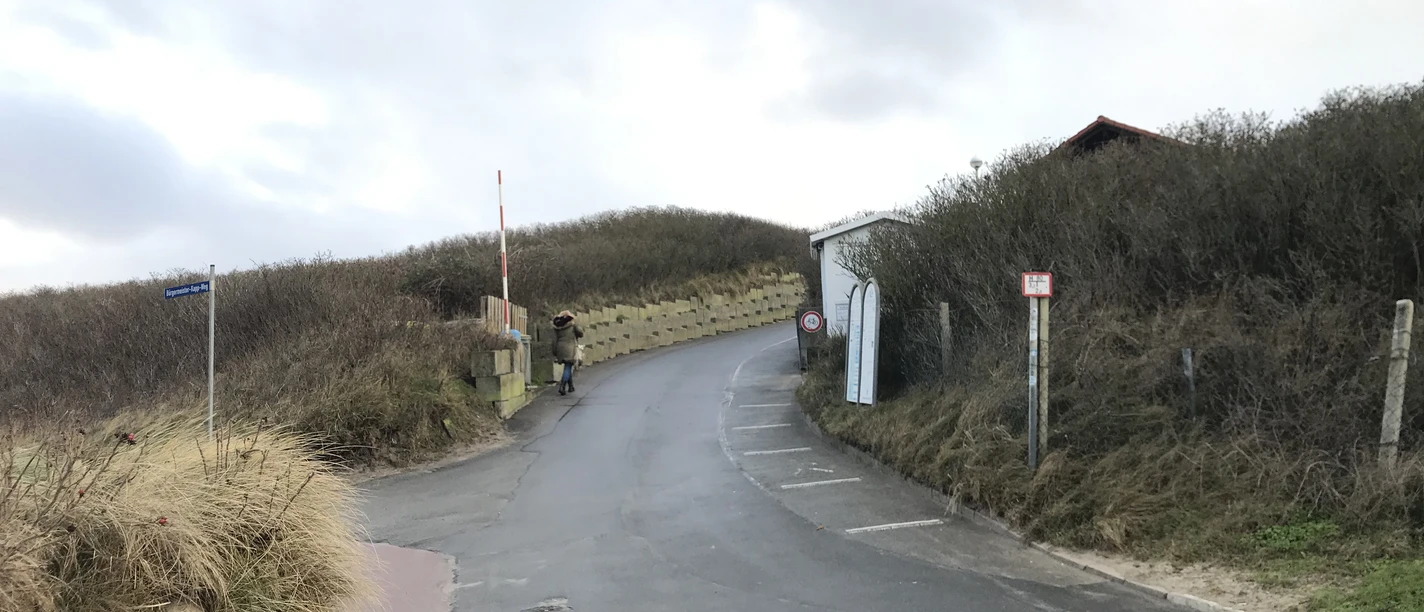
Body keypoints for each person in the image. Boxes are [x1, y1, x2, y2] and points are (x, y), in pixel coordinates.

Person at [551, 310, 584, 395]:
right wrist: (576, 325)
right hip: (570, 348)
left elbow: (554, 340)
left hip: (559, 348)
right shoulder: (572, 325)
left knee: (567, 366)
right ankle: (562, 386)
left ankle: (571, 386)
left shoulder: (556, 327)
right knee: (568, 367)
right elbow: (581, 333)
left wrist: (555, 351)